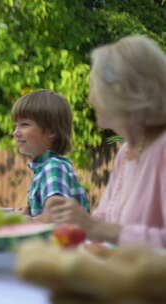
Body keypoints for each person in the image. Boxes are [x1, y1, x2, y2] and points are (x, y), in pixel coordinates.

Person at [50, 35, 166, 248]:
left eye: (95, 88)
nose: (90, 99)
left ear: (122, 91)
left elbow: (101, 229)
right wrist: (61, 221)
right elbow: (103, 221)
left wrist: (95, 228)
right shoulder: (127, 151)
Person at [11, 90, 90, 222]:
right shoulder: (44, 168)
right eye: (16, 126)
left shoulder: (53, 167)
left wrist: (24, 221)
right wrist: (28, 213)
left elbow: (56, 216)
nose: (15, 133)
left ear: (51, 131)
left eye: (24, 124)